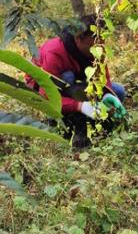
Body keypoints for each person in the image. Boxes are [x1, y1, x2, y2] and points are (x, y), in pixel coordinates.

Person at [25, 14, 126, 148]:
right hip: (43, 87)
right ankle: (60, 121)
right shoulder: (54, 52)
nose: (99, 48)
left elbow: (104, 79)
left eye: (102, 43)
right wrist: (80, 106)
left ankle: (86, 118)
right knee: (68, 77)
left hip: (76, 82)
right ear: (78, 39)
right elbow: (47, 96)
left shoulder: (97, 48)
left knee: (118, 91)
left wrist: (108, 95)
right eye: (93, 45)